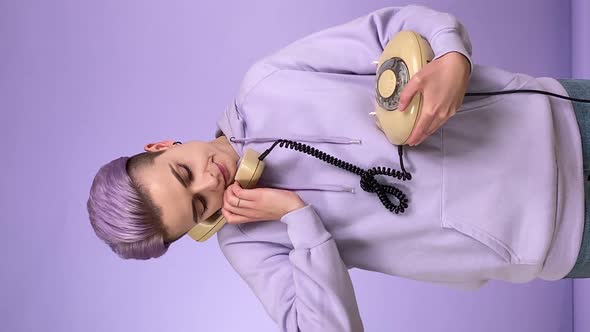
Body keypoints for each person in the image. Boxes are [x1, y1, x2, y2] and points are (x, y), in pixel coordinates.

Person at [86, 4, 590, 331]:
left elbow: (394, 28)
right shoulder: (249, 242)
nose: (209, 181)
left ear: (163, 143)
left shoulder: (268, 83)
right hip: (561, 235)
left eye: (183, 171)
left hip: (558, 116)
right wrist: (298, 218)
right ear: (199, 226)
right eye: (198, 205)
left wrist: (452, 55)